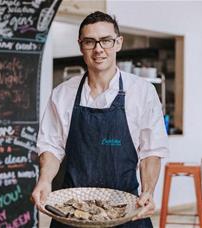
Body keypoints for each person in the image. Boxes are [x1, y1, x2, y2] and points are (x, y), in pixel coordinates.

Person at [32, 11, 169, 227]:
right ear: (80, 45)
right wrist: (45, 180)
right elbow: (51, 146)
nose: (98, 49)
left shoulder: (143, 92)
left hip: (126, 210)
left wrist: (148, 191)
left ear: (118, 43)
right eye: (90, 42)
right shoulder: (62, 93)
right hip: (72, 211)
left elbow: (151, 152)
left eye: (106, 40)